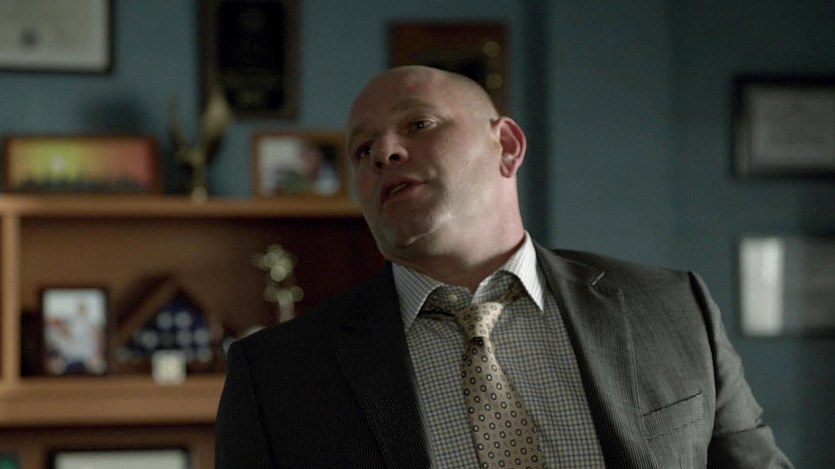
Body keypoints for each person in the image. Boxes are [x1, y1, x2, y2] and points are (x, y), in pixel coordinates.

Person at [215, 65, 793, 468]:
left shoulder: (672, 308)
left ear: (508, 146)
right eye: (363, 151)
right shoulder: (277, 376)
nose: (384, 153)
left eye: (418, 125)